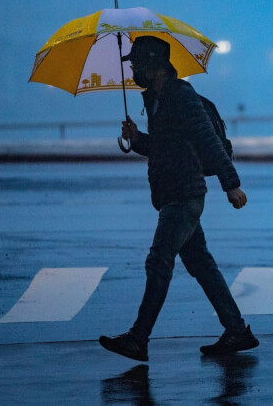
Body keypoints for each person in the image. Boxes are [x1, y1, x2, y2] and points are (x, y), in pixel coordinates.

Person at [99, 35, 258, 361]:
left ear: (155, 65)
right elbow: (165, 146)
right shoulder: (157, 99)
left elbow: (207, 139)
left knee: (158, 261)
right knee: (200, 263)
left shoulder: (180, 96)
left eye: (137, 65)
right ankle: (236, 331)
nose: (133, 72)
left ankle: (138, 338)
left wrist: (231, 184)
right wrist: (137, 139)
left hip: (184, 196)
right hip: (173, 194)